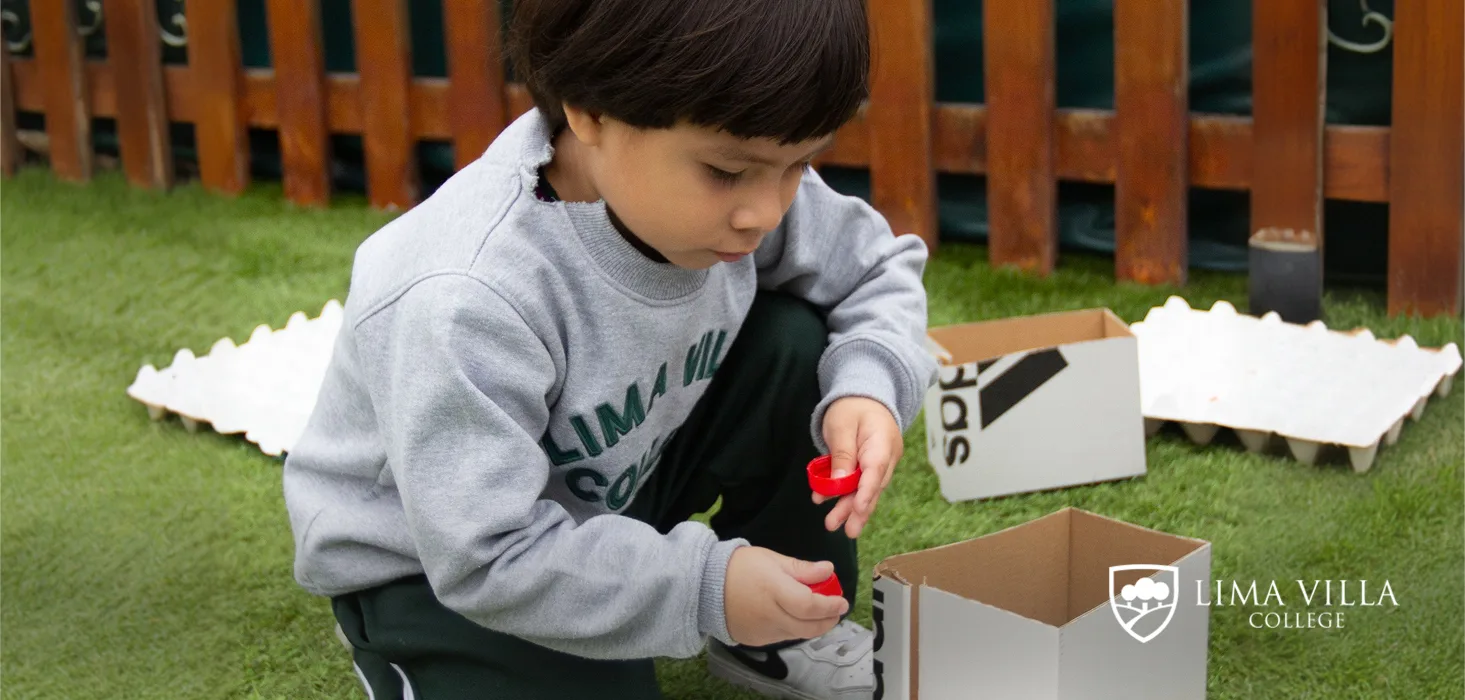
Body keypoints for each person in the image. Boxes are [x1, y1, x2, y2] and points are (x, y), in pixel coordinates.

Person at [281, 0, 937, 697]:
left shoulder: (738, 180)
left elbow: (873, 267)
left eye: (799, 164)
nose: (766, 212)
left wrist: (868, 385)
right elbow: (485, 554)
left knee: (793, 340)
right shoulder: (467, 295)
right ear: (588, 112)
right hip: (443, 561)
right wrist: (703, 586)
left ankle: (779, 630)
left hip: (611, 484)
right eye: (725, 171)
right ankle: (404, 653)